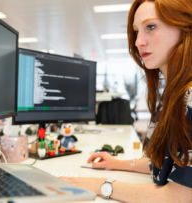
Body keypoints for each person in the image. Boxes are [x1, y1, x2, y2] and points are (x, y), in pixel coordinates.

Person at [60, 0, 192, 202]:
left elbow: (181, 196)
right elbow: (165, 164)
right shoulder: (172, 95)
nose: (138, 41)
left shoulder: (189, 96)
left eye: (151, 27)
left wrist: (101, 185)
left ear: (185, 27)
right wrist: (117, 163)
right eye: (137, 31)